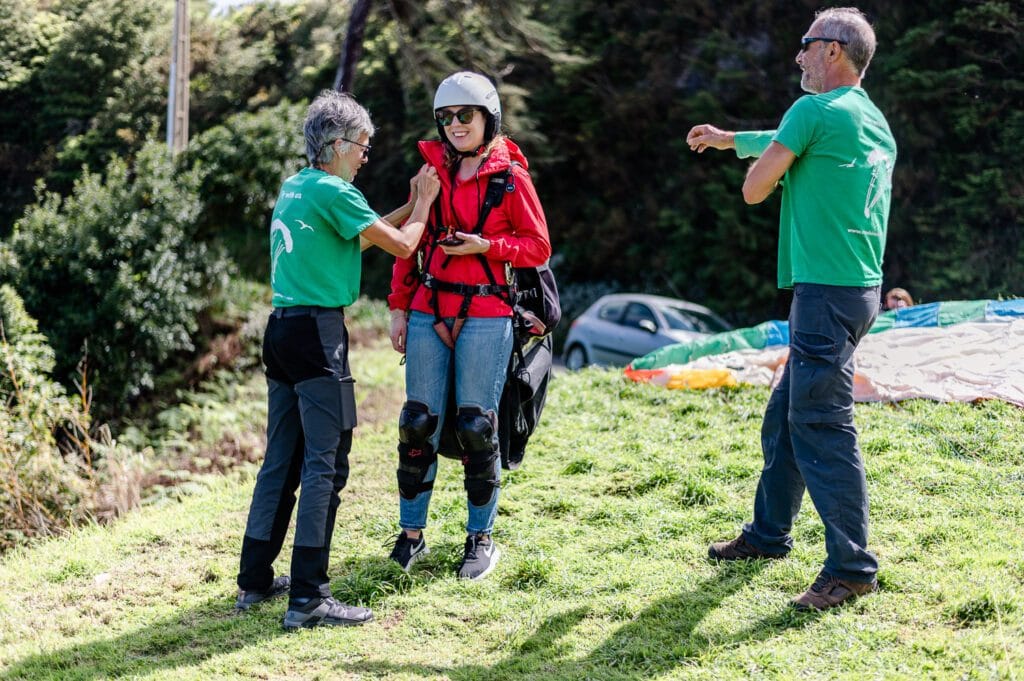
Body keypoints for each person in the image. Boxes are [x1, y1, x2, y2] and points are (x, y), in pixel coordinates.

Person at [686, 7, 896, 611]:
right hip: (858, 293)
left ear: (833, 50)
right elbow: (802, 144)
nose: (798, 56)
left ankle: (851, 567)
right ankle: (768, 535)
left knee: (822, 425)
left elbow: (757, 187)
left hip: (825, 296)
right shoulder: (869, 117)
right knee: (785, 416)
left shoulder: (811, 112)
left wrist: (755, 160)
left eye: (806, 45)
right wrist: (733, 140)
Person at [235, 90, 440, 629]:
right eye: (363, 148)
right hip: (319, 335)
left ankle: (254, 580)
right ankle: (308, 597)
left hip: (280, 331)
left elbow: (365, 232)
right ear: (337, 143)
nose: (365, 157)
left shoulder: (299, 186)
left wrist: (406, 211)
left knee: (281, 457)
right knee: (328, 462)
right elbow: (400, 245)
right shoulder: (334, 190)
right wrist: (424, 203)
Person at [386, 72, 551, 580]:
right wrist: (397, 305)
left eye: (466, 115)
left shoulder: (511, 178)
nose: (455, 125)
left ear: (488, 118)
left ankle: (479, 539)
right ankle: (411, 534)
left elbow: (538, 246)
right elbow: (408, 240)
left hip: (487, 313)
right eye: (447, 117)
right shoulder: (430, 171)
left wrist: (487, 247)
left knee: (477, 427)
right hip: (427, 310)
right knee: (418, 423)